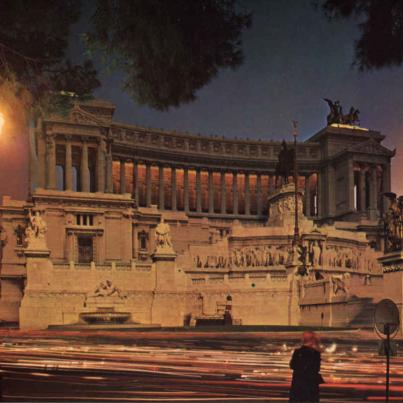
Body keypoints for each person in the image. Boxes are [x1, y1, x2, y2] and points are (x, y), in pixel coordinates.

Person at [289, 331, 324, 402]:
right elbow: (316, 368)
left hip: (298, 385)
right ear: (313, 340)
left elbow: (292, 365)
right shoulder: (315, 354)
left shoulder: (297, 352)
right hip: (310, 385)